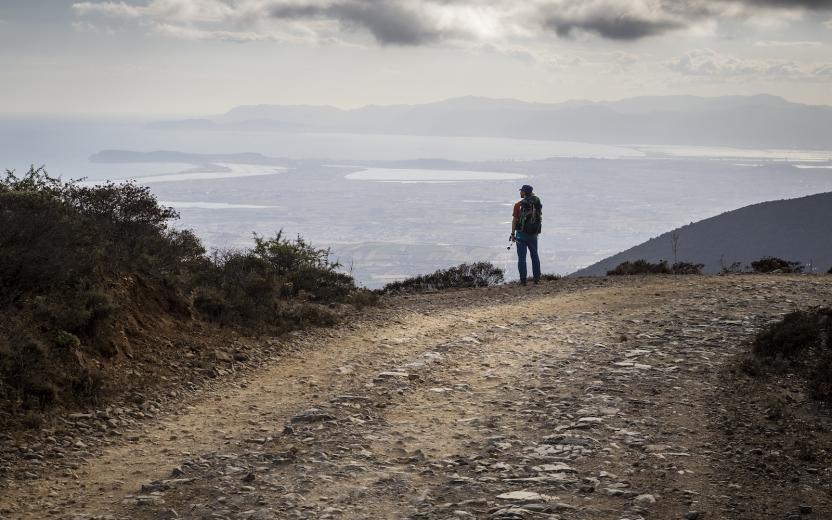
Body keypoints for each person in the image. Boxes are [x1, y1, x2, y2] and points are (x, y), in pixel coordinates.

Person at [510, 184, 542, 285]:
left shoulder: (518, 205)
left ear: (524, 192)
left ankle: (523, 280)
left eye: (521, 191)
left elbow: (514, 220)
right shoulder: (536, 203)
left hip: (520, 235)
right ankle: (536, 279)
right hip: (533, 235)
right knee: (535, 255)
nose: (520, 192)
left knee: (521, 258)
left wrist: (512, 234)